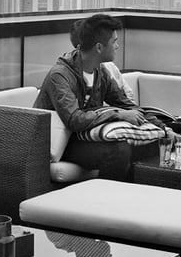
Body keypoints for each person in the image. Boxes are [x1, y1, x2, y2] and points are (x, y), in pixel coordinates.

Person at [34, 13, 153, 181]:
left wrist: (163, 128)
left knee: (145, 144)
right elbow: (74, 120)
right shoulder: (60, 75)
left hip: (82, 137)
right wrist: (117, 114)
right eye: (114, 42)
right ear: (99, 47)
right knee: (118, 151)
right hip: (58, 142)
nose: (118, 46)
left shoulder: (100, 72)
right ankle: (103, 195)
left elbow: (126, 104)